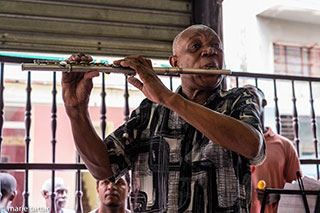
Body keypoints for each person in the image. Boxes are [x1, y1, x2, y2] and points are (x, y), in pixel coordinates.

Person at [62, 24, 266, 212]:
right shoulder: (149, 111)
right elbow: (102, 168)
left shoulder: (238, 99)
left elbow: (251, 145)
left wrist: (169, 98)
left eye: (216, 46)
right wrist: (76, 111)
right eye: (196, 46)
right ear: (175, 62)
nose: (209, 50)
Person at [244, 85, 301, 213]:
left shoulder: (284, 145)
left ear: (263, 103)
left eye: (251, 95)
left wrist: (277, 195)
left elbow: (299, 188)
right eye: (242, 98)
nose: (247, 101)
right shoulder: (232, 144)